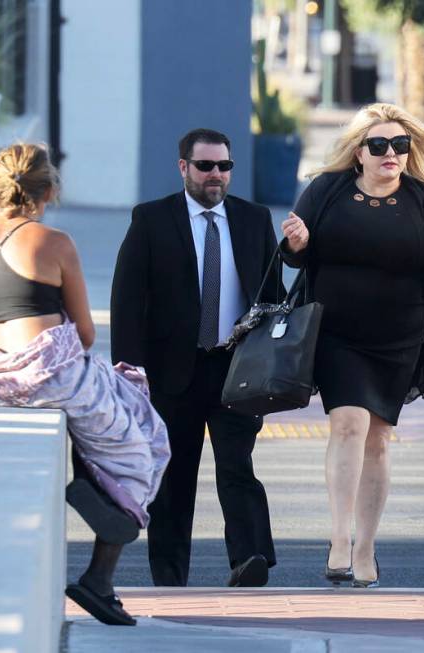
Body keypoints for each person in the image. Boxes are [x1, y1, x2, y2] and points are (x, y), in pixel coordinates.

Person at [0, 143, 171, 626]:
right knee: (144, 439)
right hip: (56, 377)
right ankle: (99, 577)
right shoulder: (54, 242)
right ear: (50, 188)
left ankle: (92, 477)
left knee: (105, 412)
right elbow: (86, 334)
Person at [281, 103, 424, 588]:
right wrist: (296, 241)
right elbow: (295, 257)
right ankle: (338, 538)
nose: (391, 153)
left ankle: (366, 545)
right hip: (336, 333)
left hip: (400, 337)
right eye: (379, 145)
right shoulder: (326, 191)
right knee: (349, 425)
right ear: (359, 152)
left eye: (400, 145)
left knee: (378, 440)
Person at [110, 128, 284, 588]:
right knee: (174, 477)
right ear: (183, 167)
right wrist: (129, 372)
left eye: (224, 166)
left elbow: (272, 297)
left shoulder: (253, 219)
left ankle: (250, 558)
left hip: (235, 369)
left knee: (237, 464)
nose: (216, 175)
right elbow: (127, 300)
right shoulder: (151, 220)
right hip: (173, 371)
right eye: (206, 166)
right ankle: (169, 576)